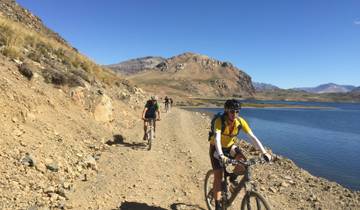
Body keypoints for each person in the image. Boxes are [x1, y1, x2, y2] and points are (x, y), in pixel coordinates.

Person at [209, 99, 271, 210]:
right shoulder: (219, 121)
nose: (235, 114)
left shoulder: (240, 121)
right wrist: (222, 156)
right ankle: (218, 205)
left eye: (237, 111)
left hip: (230, 146)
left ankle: (232, 178)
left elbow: (252, 137)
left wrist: (264, 152)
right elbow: (217, 139)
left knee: (243, 162)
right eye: (232, 112)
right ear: (226, 111)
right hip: (216, 149)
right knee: (218, 176)